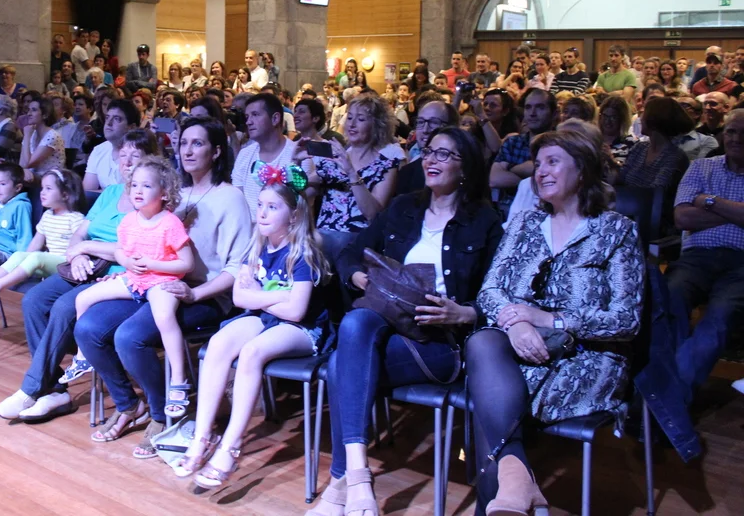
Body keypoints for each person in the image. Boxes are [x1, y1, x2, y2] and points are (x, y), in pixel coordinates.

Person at [312, 127, 502, 516]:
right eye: (429, 152)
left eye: (444, 154)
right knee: (356, 323)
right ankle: (359, 477)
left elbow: (500, 291)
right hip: (385, 323)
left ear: (465, 167)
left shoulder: (484, 220)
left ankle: (340, 483)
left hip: (439, 340)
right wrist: (358, 277)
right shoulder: (403, 207)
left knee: (341, 363)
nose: (431, 160)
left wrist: (465, 312)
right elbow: (350, 253)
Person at [466, 129, 644, 515]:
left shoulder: (616, 230)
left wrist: (551, 318)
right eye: (538, 164)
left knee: (491, 396)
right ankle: (515, 481)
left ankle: (505, 493)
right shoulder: (524, 223)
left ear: (582, 169)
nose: (540, 171)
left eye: (553, 162)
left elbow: (626, 320)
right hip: (519, 347)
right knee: (483, 344)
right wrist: (516, 325)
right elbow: (490, 290)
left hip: (587, 357)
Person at [72, 117, 252, 455]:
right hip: (157, 283)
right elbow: (140, 241)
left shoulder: (231, 198)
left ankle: (161, 414)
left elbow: (236, 268)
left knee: (130, 337)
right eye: (183, 143)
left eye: (198, 143)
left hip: (204, 294)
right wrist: (125, 268)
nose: (188, 150)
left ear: (216, 151)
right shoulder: (173, 193)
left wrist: (196, 293)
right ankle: (129, 405)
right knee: (88, 327)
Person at [177, 164, 329, 489]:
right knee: (219, 343)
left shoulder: (302, 253)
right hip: (267, 317)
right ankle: (202, 436)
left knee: (252, 352)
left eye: (272, 207)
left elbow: (296, 311)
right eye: (260, 204)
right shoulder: (257, 246)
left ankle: (231, 446)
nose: (261, 213)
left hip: (303, 329)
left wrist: (259, 296)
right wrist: (276, 296)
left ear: (293, 216)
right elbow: (239, 296)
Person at [0, 130, 160, 423]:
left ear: (151, 160)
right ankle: (54, 390)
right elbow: (80, 233)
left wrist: (88, 248)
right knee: (34, 300)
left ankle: (32, 388)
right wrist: (79, 253)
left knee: (62, 307)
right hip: (85, 265)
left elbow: (132, 251)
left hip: (116, 275)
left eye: (135, 156)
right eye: (122, 155)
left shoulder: (148, 198)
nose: (127, 162)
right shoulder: (110, 193)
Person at [70, 156, 194, 427]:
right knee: (83, 298)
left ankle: (178, 379)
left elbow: (186, 264)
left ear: (164, 193)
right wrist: (127, 263)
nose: (138, 191)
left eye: (146, 186)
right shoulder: (129, 221)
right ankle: (82, 356)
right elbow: (121, 252)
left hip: (162, 281)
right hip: (135, 278)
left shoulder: (170, 223)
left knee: (164, 317)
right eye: (135, 185)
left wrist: (152, 264)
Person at [667, 109, 744, 399]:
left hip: (741, 264)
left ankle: (670, 394)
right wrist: (736, 212)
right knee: (670, 298)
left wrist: (708, 201)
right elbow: (682, 218)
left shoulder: (703, 183)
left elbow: (695, 212)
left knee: (720, 317)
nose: (736, 138)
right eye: (731, 131)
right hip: (697, 258)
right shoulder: (701, 167)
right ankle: (670, 384)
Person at [0, 168, 86, 300]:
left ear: (65, 195)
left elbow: (79, 248)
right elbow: (36, 243)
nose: (42, 192)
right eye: (42, 188)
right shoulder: (47, 215)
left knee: (37, 257)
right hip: (48, 264)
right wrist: (24, 259)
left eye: (48, 188)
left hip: (67, 264)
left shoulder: (76, 219)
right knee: (20, 254)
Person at [302, 93, 402, 255]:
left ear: (377, 125)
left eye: (361, 119)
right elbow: (303, 192)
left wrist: (351, 173)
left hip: (357, 243)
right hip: (323, 240)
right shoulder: (333, 157)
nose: (352, 124)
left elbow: (373, 214)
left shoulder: (386, 165)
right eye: (349, 118)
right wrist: (294, 163)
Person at [232, 93, 302, 213]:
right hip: (247, 224)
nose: (248, 122)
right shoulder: (245, 154)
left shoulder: (299, 154)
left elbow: (302, 207)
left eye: (255, 115)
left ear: (275, 119)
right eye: (247, 117)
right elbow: (237, 200)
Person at [490, 89, 557, 216]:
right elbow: (495, 179)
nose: (532, 113)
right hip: (507, 213)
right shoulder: (513, 142)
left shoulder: (561, 145)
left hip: (548, 213)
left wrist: (511, 169)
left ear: (554, 113)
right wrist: (536, 181)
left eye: (540, 107)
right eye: (528, 107)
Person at [617, 97, 692, 190]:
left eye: (644, 113)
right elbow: (621, 179)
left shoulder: (675, 156)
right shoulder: (639, 147)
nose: (641, 119)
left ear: (654, 120)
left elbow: (657, 191)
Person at [395, 95, 459, 196]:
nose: (425, 130)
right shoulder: (407, 173)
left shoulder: (463, 171)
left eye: (434, 122)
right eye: (420, 122)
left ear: (451, 127)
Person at [84, 98, 140, 190]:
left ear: (132, 127)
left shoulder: (140, 153)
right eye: (107, 117)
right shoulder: (99, 150)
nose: (108, 123)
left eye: (117, 119)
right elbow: (88, 191)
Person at [18, 95, 65, 185]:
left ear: (45, 115)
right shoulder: (32, 133)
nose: (29, 113)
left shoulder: (52, 136)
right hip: (32, 176)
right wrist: (24, 170)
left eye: (34, 110)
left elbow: (27, 164)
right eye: (29, 110)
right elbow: (22, 164)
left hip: (51, 179)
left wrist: (26, 136)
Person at [673, 96, 718, 161]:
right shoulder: (664, 138)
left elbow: (700, 165)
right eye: (675, 105)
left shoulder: (706, 141)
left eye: (684, 105)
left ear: (697, 114)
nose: (677, 109)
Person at [598, 95, 638, 166]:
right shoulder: (593, 139)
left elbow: (631, 170)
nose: (607, 121)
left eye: (613, 117)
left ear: (622, 119)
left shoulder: (631, 143)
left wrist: (611, 160)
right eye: (605, 116)